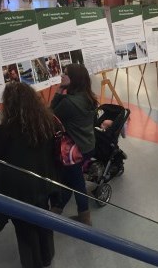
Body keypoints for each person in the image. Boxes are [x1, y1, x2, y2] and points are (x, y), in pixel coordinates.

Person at [0, 82, 61, 268]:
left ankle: (33, 263)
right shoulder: (48, 122)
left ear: (9, 105)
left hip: (17, 190)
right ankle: (47, 257)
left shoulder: (5, 131)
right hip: (44, 184)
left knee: (25, 229)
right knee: (44, 221)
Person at [49, 63, 98, 225]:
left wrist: (58, 90)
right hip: (88, 145)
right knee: (71, 180)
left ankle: (84, 217)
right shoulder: (88, 97)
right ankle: (57, 209)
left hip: (73, 150)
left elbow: (49, 114)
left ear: (74, 79)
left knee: (76, 183)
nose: (62, 76)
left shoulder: (69, 103)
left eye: (66, 74)